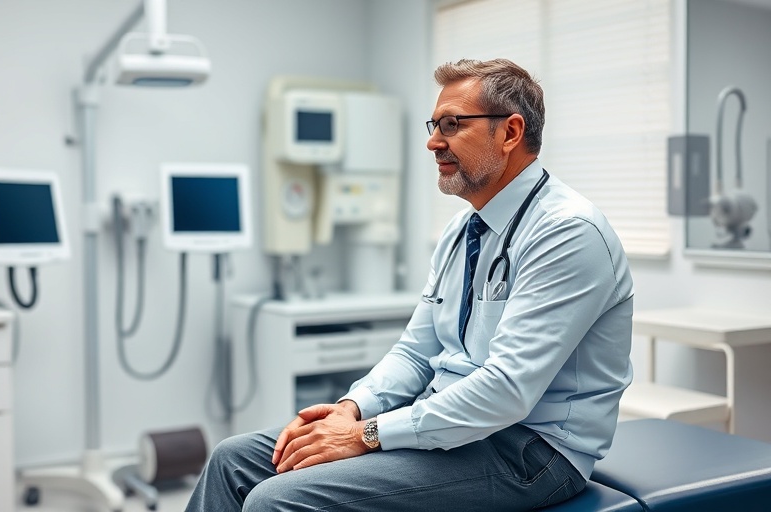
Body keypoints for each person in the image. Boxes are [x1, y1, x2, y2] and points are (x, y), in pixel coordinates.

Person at [185, 58, 634, 512]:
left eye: (452, 124)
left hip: (528, 450)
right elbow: (416, 352)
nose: (433, 141)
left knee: (275, 500)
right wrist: (353, 408)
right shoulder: (463, 231)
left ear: (510, 132)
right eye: (434, 125)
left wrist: (366, 434)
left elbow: (506, 391)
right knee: (232, 460)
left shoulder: (567, 233)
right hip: (450, 423)